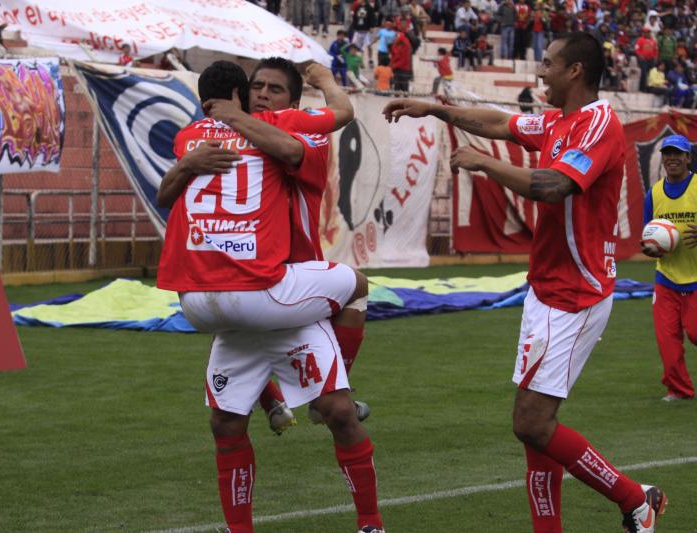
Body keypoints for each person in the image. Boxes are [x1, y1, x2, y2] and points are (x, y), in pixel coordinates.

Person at [382, 31, 667, 533]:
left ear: (575, 71)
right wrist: (436, 108)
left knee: (531, 423)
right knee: (536, 430)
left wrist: (485, 163)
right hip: (545, 289)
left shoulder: (598, 125)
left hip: (576, 294)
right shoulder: (557, 120)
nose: (540, 73)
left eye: (550, 64)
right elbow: (499, 122)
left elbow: (554, 186)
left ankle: (633, 499)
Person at [157, 61, 383, 533]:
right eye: (255, 86)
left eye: (275, 89)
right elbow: (171, 194)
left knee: (339, 410)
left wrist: (236, 117)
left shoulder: (302, 136)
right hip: (257, 287)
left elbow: (293, 144)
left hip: (288, 283)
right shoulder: (211, 138)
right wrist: (187, 164)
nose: (263, 95)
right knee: (223, 424)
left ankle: (369, 520)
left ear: (293, 103)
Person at [641, 134, 697, 402]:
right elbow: (647, 235)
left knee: (695, 333)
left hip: (696, 278)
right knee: (668, 341)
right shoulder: (654, 193)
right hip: (666, 279)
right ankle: (679, 389)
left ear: (688, 158)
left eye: (678, 153)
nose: (672, 158)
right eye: (668, 153)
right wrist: (651, 247)